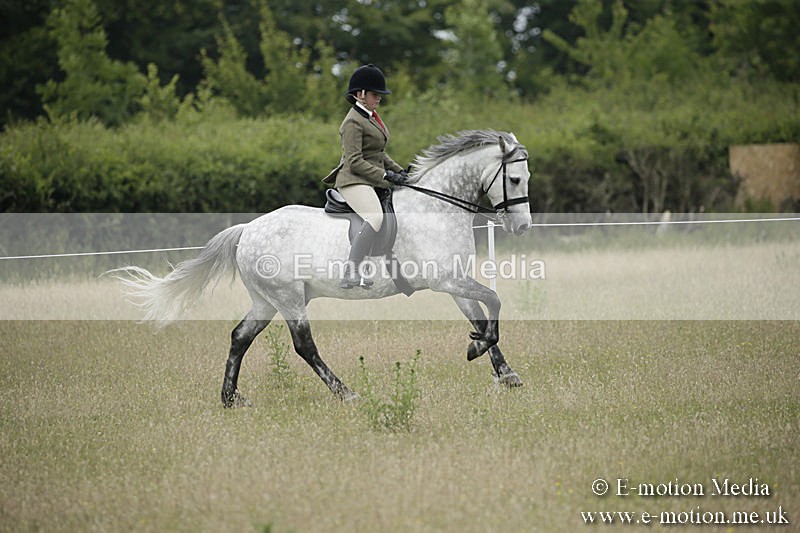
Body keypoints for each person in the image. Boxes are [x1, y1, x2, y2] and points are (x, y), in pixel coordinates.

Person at [323, 64, 408, 289]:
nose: (379, 98)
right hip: (352, 180)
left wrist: (400, 172)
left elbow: (378, 153)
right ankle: (351, 271)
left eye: (379, 94)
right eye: (374, 94)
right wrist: (385, 176)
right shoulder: (352, 122)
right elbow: (355, 161)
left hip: (368, 177)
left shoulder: (371, 117)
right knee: (375, 218)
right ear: (360, 94)